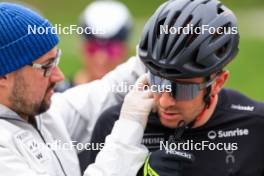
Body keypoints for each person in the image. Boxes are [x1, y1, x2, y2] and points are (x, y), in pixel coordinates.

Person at [87, 0, 264, 175]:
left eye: (182, 90)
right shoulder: (114, 125)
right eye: (156, 82)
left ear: (217, 83)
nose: (164, 101)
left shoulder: (256, 125)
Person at [0, 2, 155, 176]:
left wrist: (158, 47)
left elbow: (108, 90)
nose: (59, 77)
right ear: (3, 76)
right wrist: (130, 125)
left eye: (56, 60)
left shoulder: (41, 113)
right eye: (46, 66)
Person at [55, 0, 133, 92]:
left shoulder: (143, 96)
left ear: (125, 49)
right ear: (81, 47)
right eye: (93, 48)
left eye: (111, 50)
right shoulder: (57, 96)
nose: (101, 58)